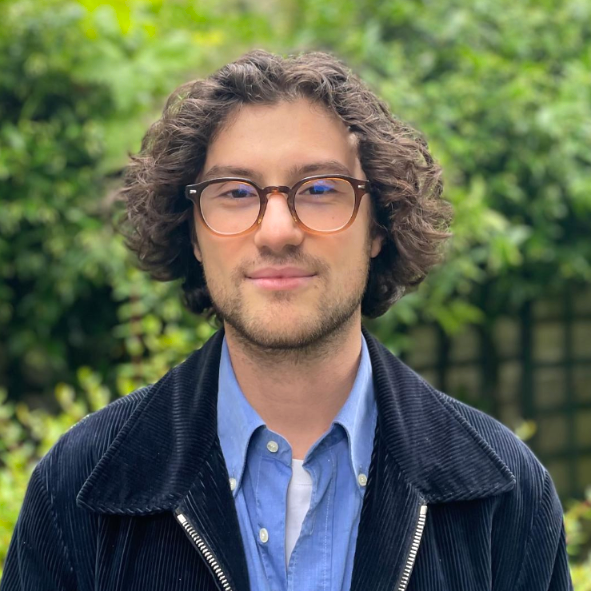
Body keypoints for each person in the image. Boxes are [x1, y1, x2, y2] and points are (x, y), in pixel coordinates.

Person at [1, 50, 572, 591]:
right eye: (235, 192)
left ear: (378, 227)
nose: (277, 231)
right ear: (193, 234)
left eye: (320, 189)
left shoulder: (506, 495)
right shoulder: (77, 488)